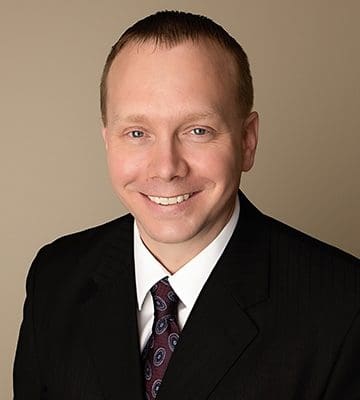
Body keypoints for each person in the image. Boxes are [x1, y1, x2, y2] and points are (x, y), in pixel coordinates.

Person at [14, 10, 360, 400]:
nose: (166, 167)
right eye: (137, 132)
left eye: (198, 130)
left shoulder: (344, 307)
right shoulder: (55, 277)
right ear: (108, 140)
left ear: (247, 141)